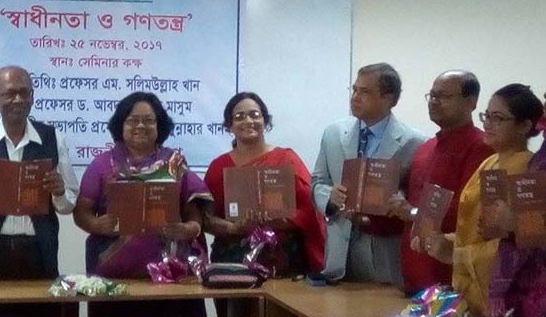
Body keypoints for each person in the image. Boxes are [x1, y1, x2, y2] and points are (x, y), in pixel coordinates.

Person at [73, 91, 213, 317]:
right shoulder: (102, 164)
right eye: (133, 120)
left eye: (148, 120)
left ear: (159, 125)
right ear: (121, 125)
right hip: (115, 278)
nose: (141, 126)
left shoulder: (174, 162)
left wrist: (189, 229)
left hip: (172, 278)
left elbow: (193, 211)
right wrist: (98, 225)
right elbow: (81, 213)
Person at [416, 84, 542, 316]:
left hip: (500, 293)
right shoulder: (490, 162)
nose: (487, 124)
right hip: (468, 287)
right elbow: (473, 227)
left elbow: (520, 244)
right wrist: (440, 241)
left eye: (498, 118)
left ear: (524, 126)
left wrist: (458, 255)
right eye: (487, 116)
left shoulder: (526, 170)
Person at [204, 92, 326, 317]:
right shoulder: (218, 167)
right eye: (239, 116)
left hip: (284, 264)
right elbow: (206, 219)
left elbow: (310, 210)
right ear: (229, 125)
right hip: (233, 266)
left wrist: (277, 221)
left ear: (265, 120)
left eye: (254, 115)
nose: (248, 121)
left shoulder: (286, 158)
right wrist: (235, 228)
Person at [311, 63, 425, 285]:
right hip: (339, 254)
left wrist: (400, 202)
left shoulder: (414, 142)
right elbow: (317, 182)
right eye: (354, 90)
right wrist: (329, 197)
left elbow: (414, 200)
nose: (355, 97)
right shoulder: (334, 133)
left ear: (389, 98)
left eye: (364, 92)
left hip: (383, 254)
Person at [0, 66, 79, 280]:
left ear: (32, 97)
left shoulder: (53, 137)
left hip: (39, 251)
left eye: (24, 93)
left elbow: (68, 205)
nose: (18, 99)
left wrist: (60, 192)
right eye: (10, 93)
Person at [387, 71, 493, 294]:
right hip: (411, 275)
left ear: (471, 102)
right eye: (432, 95)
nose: (434, 102)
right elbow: (410, 198)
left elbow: (469, 211)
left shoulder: (481, 147)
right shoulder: (425, 147)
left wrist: (412, 212)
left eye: (443, 96)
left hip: (449, 278)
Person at [486, 90, 546, 317]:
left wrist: (517, 224)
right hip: (524, 287)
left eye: (498, 118)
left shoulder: (524, 163)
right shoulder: (540, 157)